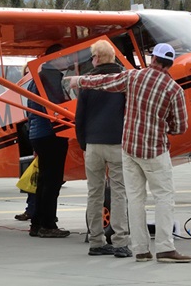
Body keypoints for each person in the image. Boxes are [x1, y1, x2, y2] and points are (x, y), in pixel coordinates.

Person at [67, 43, 191, 263]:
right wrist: (165, 126)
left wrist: (79, 81)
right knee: (162, 196)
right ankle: (161, 247)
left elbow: (103, 83)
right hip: (152, 149)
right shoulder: (174, 90)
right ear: (170, 64)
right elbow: (180, 127)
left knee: (134, 198)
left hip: (127, 148)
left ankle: (139, 249)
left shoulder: (133, 78)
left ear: (153, 59)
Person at [74, 40, 131, 257]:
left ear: (97, 58)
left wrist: (83, 144)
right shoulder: (123, 79)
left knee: (94, 193)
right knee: (119, 193)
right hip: (117, 143)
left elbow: (80, 118)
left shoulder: (87, 81)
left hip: (93, 144)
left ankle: (96, 241)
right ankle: (120, 242)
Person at [26, 59, 70, 238]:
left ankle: (36, 223)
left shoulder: (35, 79)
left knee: (44, 181)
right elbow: (59, 104)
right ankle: (48, 224)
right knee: (52, 181)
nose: (66, 60)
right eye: (64, 57)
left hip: (37, 134)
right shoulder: (51, 78)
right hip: (52, 133)